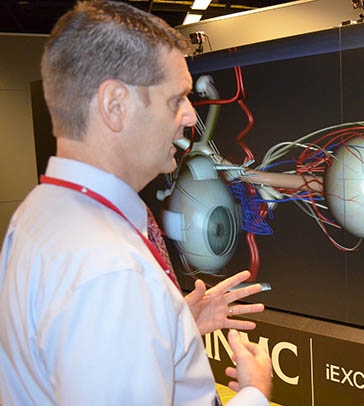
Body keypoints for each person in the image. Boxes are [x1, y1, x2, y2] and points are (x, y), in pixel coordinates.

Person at [0, 1, 271, 405]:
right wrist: (254, 394)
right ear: (115, 105)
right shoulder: (111, 273)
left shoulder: (39, 214)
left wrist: (168, 325)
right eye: (175, 99)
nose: (190, 117)